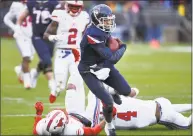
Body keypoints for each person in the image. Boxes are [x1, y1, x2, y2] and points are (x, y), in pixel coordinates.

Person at [78, 4, 138, 135]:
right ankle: (109, 125)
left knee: (127, 91)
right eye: (106, 21)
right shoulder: (92, 33)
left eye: (110, 20)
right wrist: (122, 47)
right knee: (109, 103)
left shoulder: (101, 29)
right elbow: (112, 58)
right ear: (96, 20)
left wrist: (112, 42)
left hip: (103, 64)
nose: (109, 23)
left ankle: (112, 90)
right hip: (89, 70)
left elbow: (108, 47)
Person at [43, 0, 89, 108]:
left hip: (76, 54)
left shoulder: (84, 17)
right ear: (67, 6)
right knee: (60, 85)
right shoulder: (60, 15)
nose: (74, 9)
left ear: (81, 7)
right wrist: (52, 37)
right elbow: (46, 34)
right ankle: (55, 91)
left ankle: (77, 107)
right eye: (72, 6)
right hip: (61, 54)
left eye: (76, 7)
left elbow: (86, 35)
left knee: (77, 81)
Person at [16, 0, 59, 91]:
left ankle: (35, 72)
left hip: (50, 36)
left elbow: (60, 16)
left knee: (47, 58)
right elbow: (21, 17)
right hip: (37, 36)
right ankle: (52, 83)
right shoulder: (32, 3)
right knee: (47, 59)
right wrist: (17, 28)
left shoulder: (53, 3)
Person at [101, 88, 192, 130]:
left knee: (187, 124)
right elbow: (135, 91)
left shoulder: (113, 125)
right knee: (174, 109)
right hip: (159, 103)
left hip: (162, 116)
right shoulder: (117, 99)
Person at [32, 91, 116, 135]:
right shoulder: (71, 131)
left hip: (73, 114)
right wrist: (108, 118)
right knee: (96, 93)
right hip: (87, 120)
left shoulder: (45, 129)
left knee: (72, 87)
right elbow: (93, 132)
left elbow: (35, 131)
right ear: (64, 124)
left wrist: (38, 113)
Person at [3, 0, 35, 89]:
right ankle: (27, 83)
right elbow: (6, 19)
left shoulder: (36, 4)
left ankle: (19, 68)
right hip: (21, 35)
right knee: (27, 56)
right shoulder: (16, 5)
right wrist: (15, 28)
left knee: (31, 57)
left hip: (32, 35)